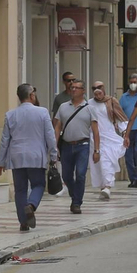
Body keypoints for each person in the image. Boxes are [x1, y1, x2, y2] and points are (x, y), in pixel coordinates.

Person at [0, 83, 58, 231]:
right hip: (36, 156)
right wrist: (54, 154)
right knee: (38, 185)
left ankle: (23, 222)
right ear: (31, 96)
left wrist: (0, 161)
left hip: (17, 156)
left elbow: (5, 139)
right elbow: (50, 136)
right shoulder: (42, 112)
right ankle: (31, 205)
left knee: (20, 189)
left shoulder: (10, 114)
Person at [53, 79, 99, 213]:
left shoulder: (90, 109)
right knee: (66, 176)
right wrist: (54, 146)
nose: (73, 90)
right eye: (72, 87)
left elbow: (96, 131)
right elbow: (57, 127)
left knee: (80, 174)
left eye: (77, 88)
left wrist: (97, 150)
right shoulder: (63, 107)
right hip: (67, 145)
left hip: (82, 145)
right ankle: (75, 195)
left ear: (83, 91)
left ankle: (77, 202)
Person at [88, 81, 129, 198]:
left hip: (109, 136)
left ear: (104, 88)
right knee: (98, 163)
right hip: (94, 138)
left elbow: (120, 118)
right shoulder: (89, 103)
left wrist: (124, 133)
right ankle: (103, 187)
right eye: (94, 88)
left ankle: (107, 186)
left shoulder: (111, 101)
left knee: (107, 160)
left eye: (99, 87)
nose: (97, 90)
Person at [120, 74, 137, 189]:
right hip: (128, 130)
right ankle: (133, 179)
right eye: (131, 82)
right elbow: (119, 112)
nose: (133, 84)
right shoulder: (124, 97)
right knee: (128, 155)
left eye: (135, 82)